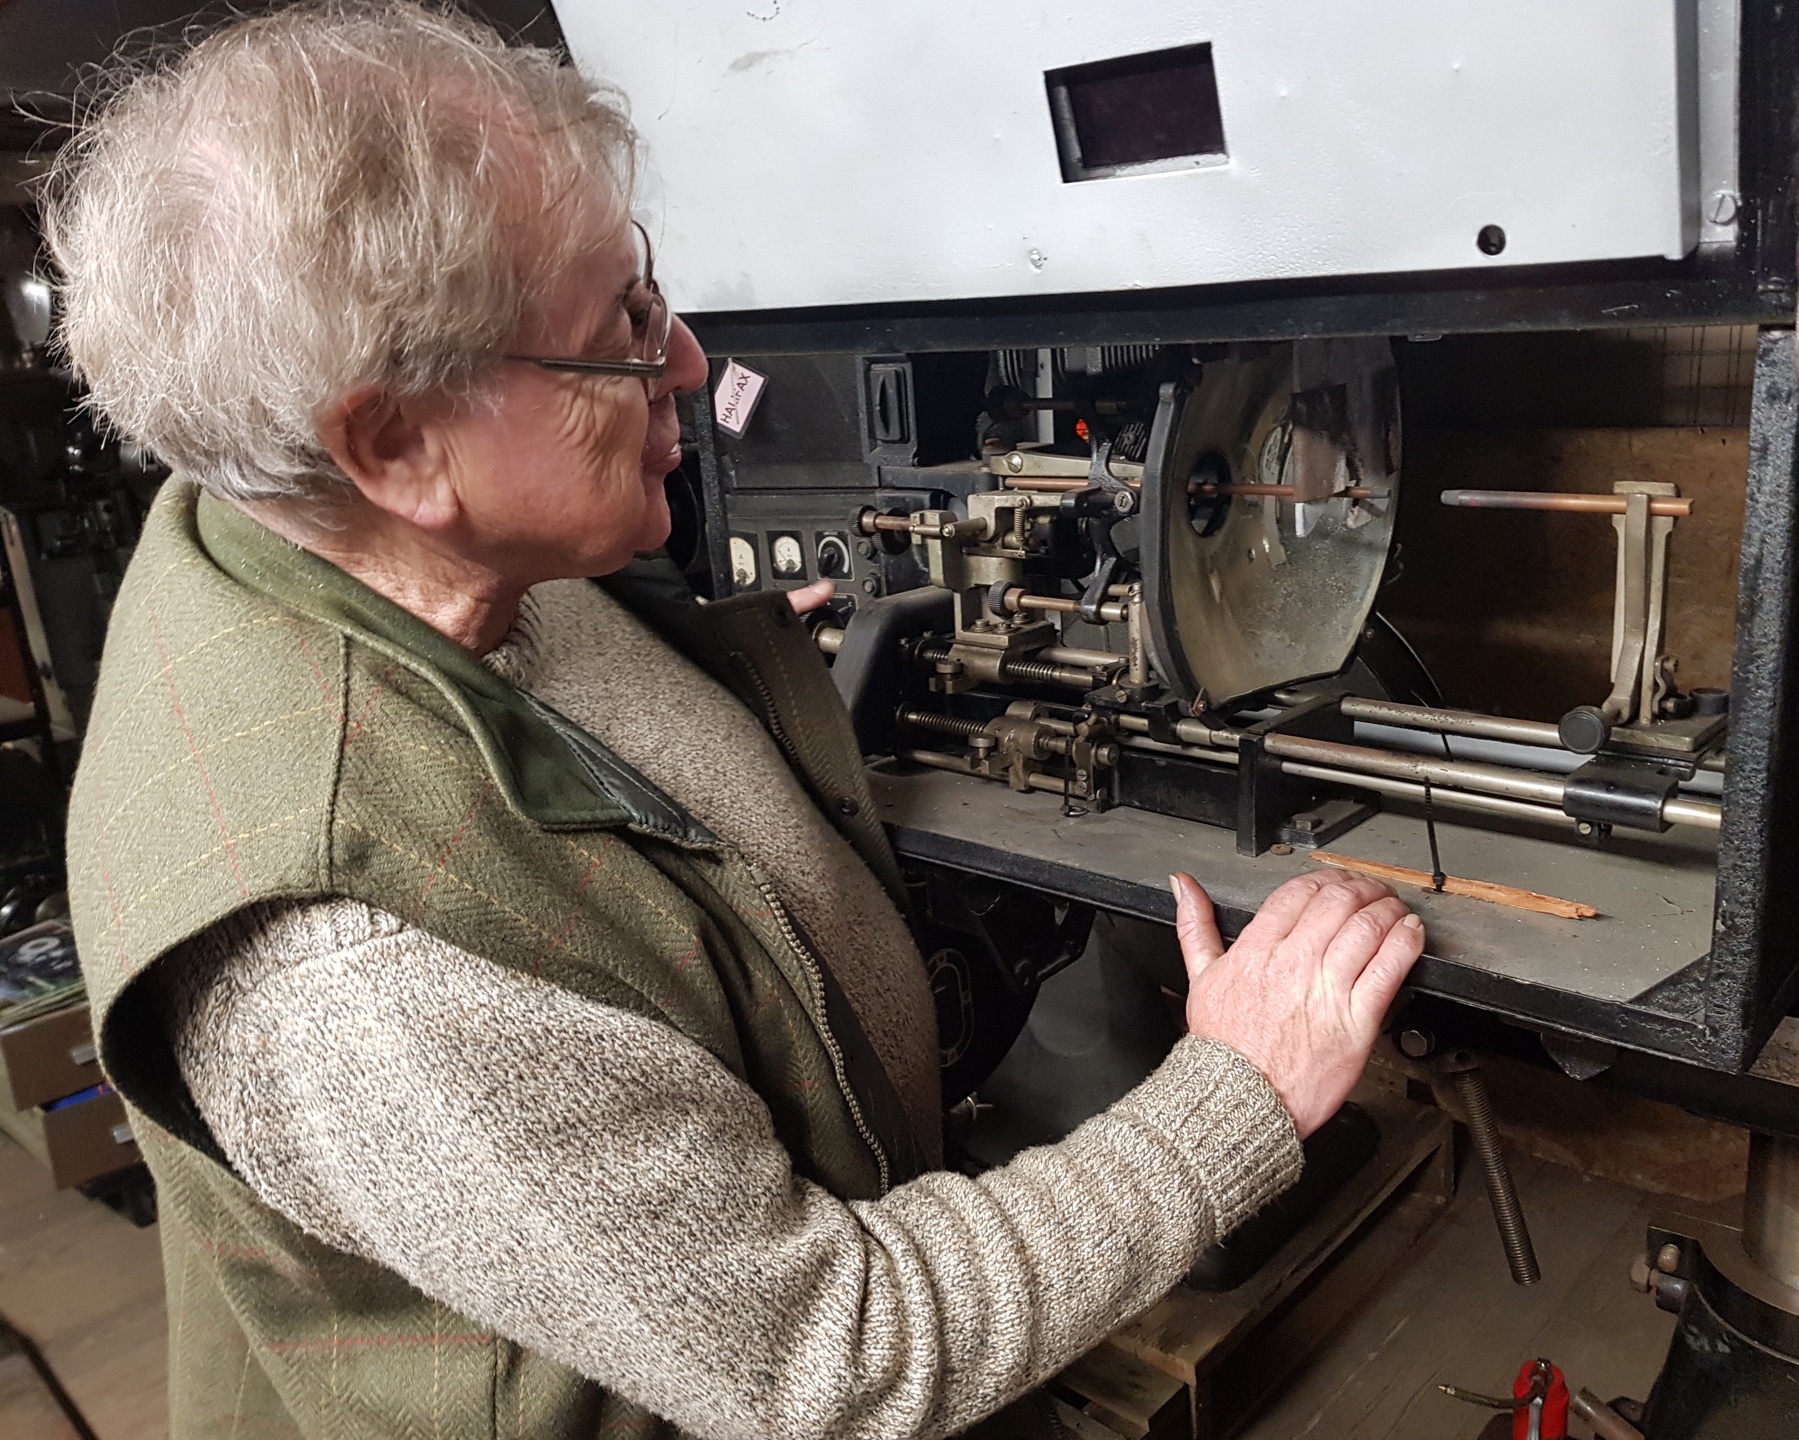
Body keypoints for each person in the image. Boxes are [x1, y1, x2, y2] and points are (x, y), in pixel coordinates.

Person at [52, 5, 1425, 1437]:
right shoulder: (354, 984)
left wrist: (735, 659)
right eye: (621, 334)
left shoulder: (318, 522)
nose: (694, 368)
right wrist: (1236, 1095)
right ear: (396, 444)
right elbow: (838, 1354)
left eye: (648, 290)